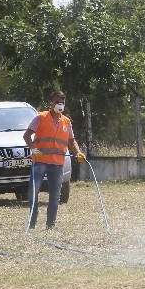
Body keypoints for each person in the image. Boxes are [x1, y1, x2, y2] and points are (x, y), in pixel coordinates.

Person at [23, 90, 85, 230]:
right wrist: (33, 149)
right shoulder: (40, 117)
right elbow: (26, 136)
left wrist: (79, 153)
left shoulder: (66, 121)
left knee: (55, 196)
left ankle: (50, 225)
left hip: (57, 164)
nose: (60, 104)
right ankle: (32, 222)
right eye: (57, 102)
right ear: (51, 103)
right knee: (33, 193)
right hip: (40, 162)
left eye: (62, 102)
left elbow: (71, 141)